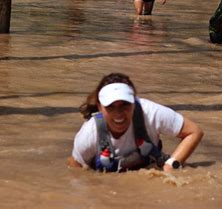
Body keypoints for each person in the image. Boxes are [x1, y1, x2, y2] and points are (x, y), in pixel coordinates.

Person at [68, 73, 203, 173]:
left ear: (134, 101)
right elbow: (75, 170)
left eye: (125, 105)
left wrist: (170, 167)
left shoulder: (150, 112)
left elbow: (194, 132)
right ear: (99, 106)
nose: (119, 113)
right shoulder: (89, 134)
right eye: (111, 106)